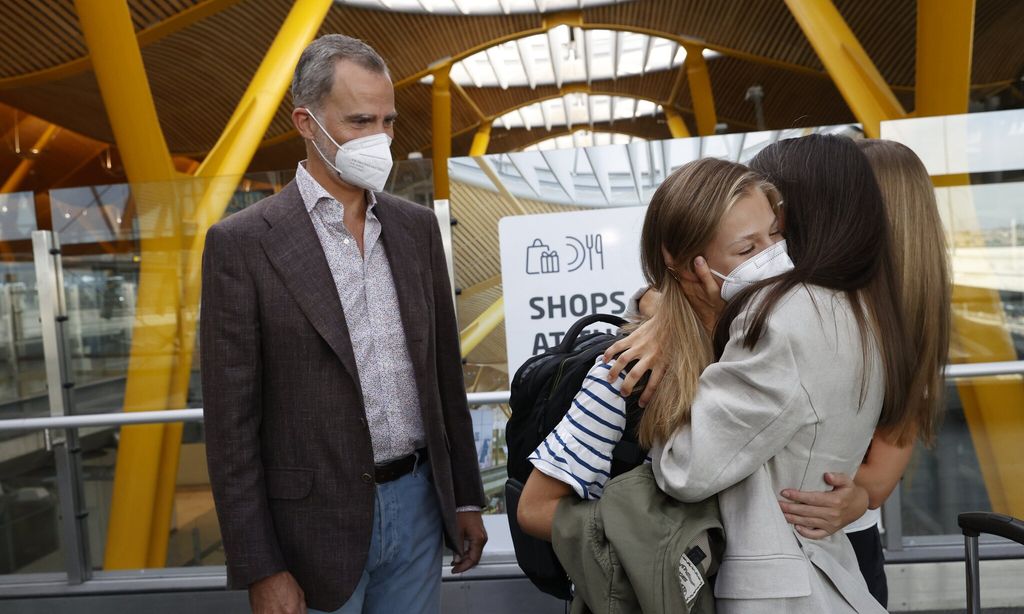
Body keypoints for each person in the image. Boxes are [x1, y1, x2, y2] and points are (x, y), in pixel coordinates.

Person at [200, 35, 486, 614]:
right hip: (309, 529)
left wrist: (465, 499)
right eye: (359, 121)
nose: (378, 138)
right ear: (307, 123)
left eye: (387, 120)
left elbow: (442, 378)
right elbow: (231, 427)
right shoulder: (243, 244)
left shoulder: (414, 229)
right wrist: (261, 565)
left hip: (419, 506)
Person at [608, 139, 950, 609]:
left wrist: (700, 324)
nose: (767, 251)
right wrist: (669, 306)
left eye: (773, 228)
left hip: (786, 579)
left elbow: (685, 468)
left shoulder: (783, 316)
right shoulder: (864, 309)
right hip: (827, 563)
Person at [517, 157, 789, 540]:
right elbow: (535, 509)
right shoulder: (630, 371)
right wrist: (653, 539)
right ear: (681, 264)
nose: (772, 257)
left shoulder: (777, 337)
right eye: (747, 250)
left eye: (775, 235)